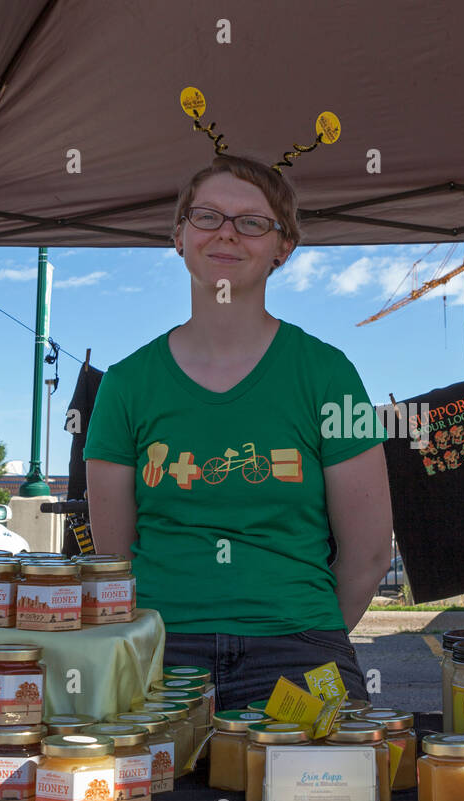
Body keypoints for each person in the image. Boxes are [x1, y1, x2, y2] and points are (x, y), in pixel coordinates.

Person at [84, 154, 393, 710]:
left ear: (283, 248)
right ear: (179, 236)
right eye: (207, 217)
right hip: (160, 649)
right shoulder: (126, 384)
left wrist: (304, 633)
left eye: (252, 222)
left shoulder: (329, 375)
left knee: (321, 796)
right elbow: (115, 558)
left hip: (299, 651)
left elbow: (369, 553)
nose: (226, 233)